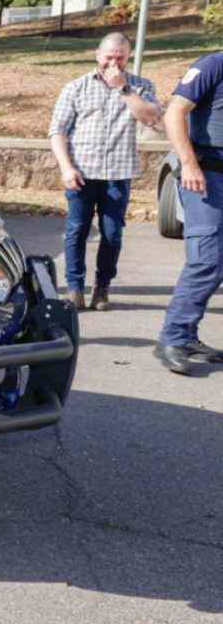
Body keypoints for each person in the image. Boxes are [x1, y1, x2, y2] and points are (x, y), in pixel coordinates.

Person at [48, 32, 163, 311]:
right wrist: (66, 167)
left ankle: (102, 288)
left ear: (128, 57)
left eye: (120, 57)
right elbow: (57, 130)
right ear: (97, 55)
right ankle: (75, 288)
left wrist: (124, 90)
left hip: (117, 175)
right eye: (109, 57)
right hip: (80, 174)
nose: (114, 63)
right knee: (77, 231)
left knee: (112, 234)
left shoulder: (141, 86)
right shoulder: (76, 87)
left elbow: (152, 118)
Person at [155, 50, 223, 375]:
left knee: (217, 262)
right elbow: (175, 112)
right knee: (206, 258)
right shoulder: (213, 64)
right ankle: (172, 338)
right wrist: (189, 162)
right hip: (206, 174)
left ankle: (187, 336)